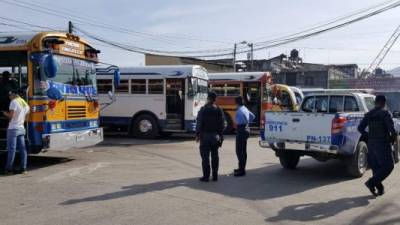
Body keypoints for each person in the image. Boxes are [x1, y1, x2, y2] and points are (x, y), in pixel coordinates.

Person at [358, 95, 396, 196]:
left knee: (376, 167)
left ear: (375, 102)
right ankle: (371, 183)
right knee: (389, 166)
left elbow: (360, 128)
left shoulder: (369, 114)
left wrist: (369, 136)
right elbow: (393, 131)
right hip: (382, 144)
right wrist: (392, 141)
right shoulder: (385, 114)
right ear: (384, 103)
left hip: (371, 144)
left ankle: (380, 189)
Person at [196, 92, 225, 182]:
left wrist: (197, 134)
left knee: (205, 157)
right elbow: (222, 124)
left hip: (205, 137)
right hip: (215, 136)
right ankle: (215, 176)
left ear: (208, 99)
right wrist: (220, 135)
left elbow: (199, 123)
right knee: (215, 156)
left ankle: (206, 176)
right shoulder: (219, 110)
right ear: (215, 99)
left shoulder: (203, 109)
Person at [2, 89, 30, 175]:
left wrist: (4, 113)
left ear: (13, 95)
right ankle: (23, 168)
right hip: (21, 128)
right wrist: (21, 121)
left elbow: (11, 116)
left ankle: (9, 169)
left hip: (13, 128)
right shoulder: (24, 102)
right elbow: (27, 117)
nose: (9, 97)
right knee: (22, 149)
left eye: (10, 96)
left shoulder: (14, 102)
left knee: (12, 149)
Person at [234, 96, 255, 177]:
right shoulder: (245, 108)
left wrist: (240, 122)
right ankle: (241, 168)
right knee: (243, 150)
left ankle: (242, 170)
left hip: (241, 130)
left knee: (239, 151)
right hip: (246, 129)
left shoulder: (239, 110)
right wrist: (247, 122)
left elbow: (237, 122)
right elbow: (253, 116)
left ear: (237, 103)